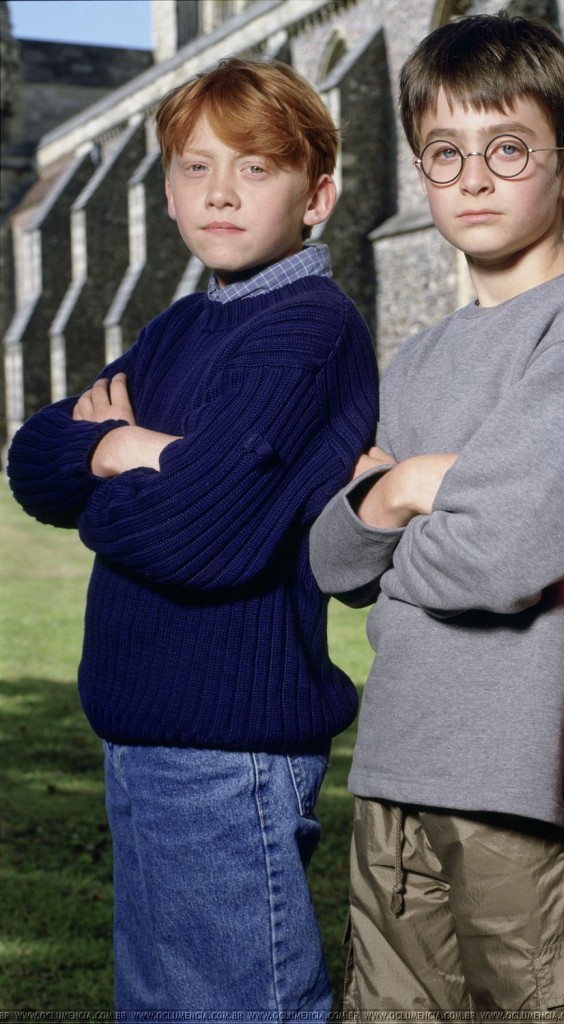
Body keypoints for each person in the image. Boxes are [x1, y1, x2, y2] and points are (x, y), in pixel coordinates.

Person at [309, 11, 564, 1016]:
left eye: (507, 149)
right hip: (395, 766)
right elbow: (333, 562)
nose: (472, 178)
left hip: (532, 784)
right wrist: (405, 490)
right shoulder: (418, 358)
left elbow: (502, 555)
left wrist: (400, 514)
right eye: (445, 153)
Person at [6, 57, 378, 1018]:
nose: (220, 192)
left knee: (240, 1005)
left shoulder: (308, 330)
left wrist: (117, 458)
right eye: (195, 166)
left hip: (228, 750)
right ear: (167, 191)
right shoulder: (180, 328)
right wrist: (126, 451)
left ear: (316, 197)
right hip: (139, 733)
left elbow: (202, 535)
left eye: (256, 168)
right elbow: (32, 459)